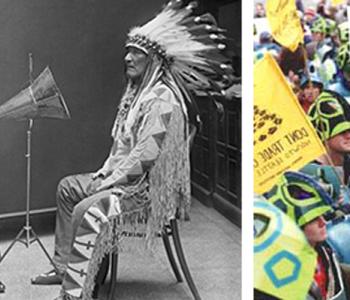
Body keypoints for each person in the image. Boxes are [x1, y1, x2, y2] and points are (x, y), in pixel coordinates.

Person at [31, 1, 234, 300]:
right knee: (68, 189)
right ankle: (64, 268)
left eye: (137, 53)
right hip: (124, 181)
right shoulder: (137, 94)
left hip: (144, 193)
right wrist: (104, 172)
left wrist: (108, 183)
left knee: (88, 208)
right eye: (128, 51)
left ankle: (74, 292)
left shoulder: (162, 100)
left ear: (154, 60)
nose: (127, 57)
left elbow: (145, 158)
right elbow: (121, 147)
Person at [264, 171, 349, 299]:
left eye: (322, 215)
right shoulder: (276, 274)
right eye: (313, 219)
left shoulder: (326, 251)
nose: (323, 222)